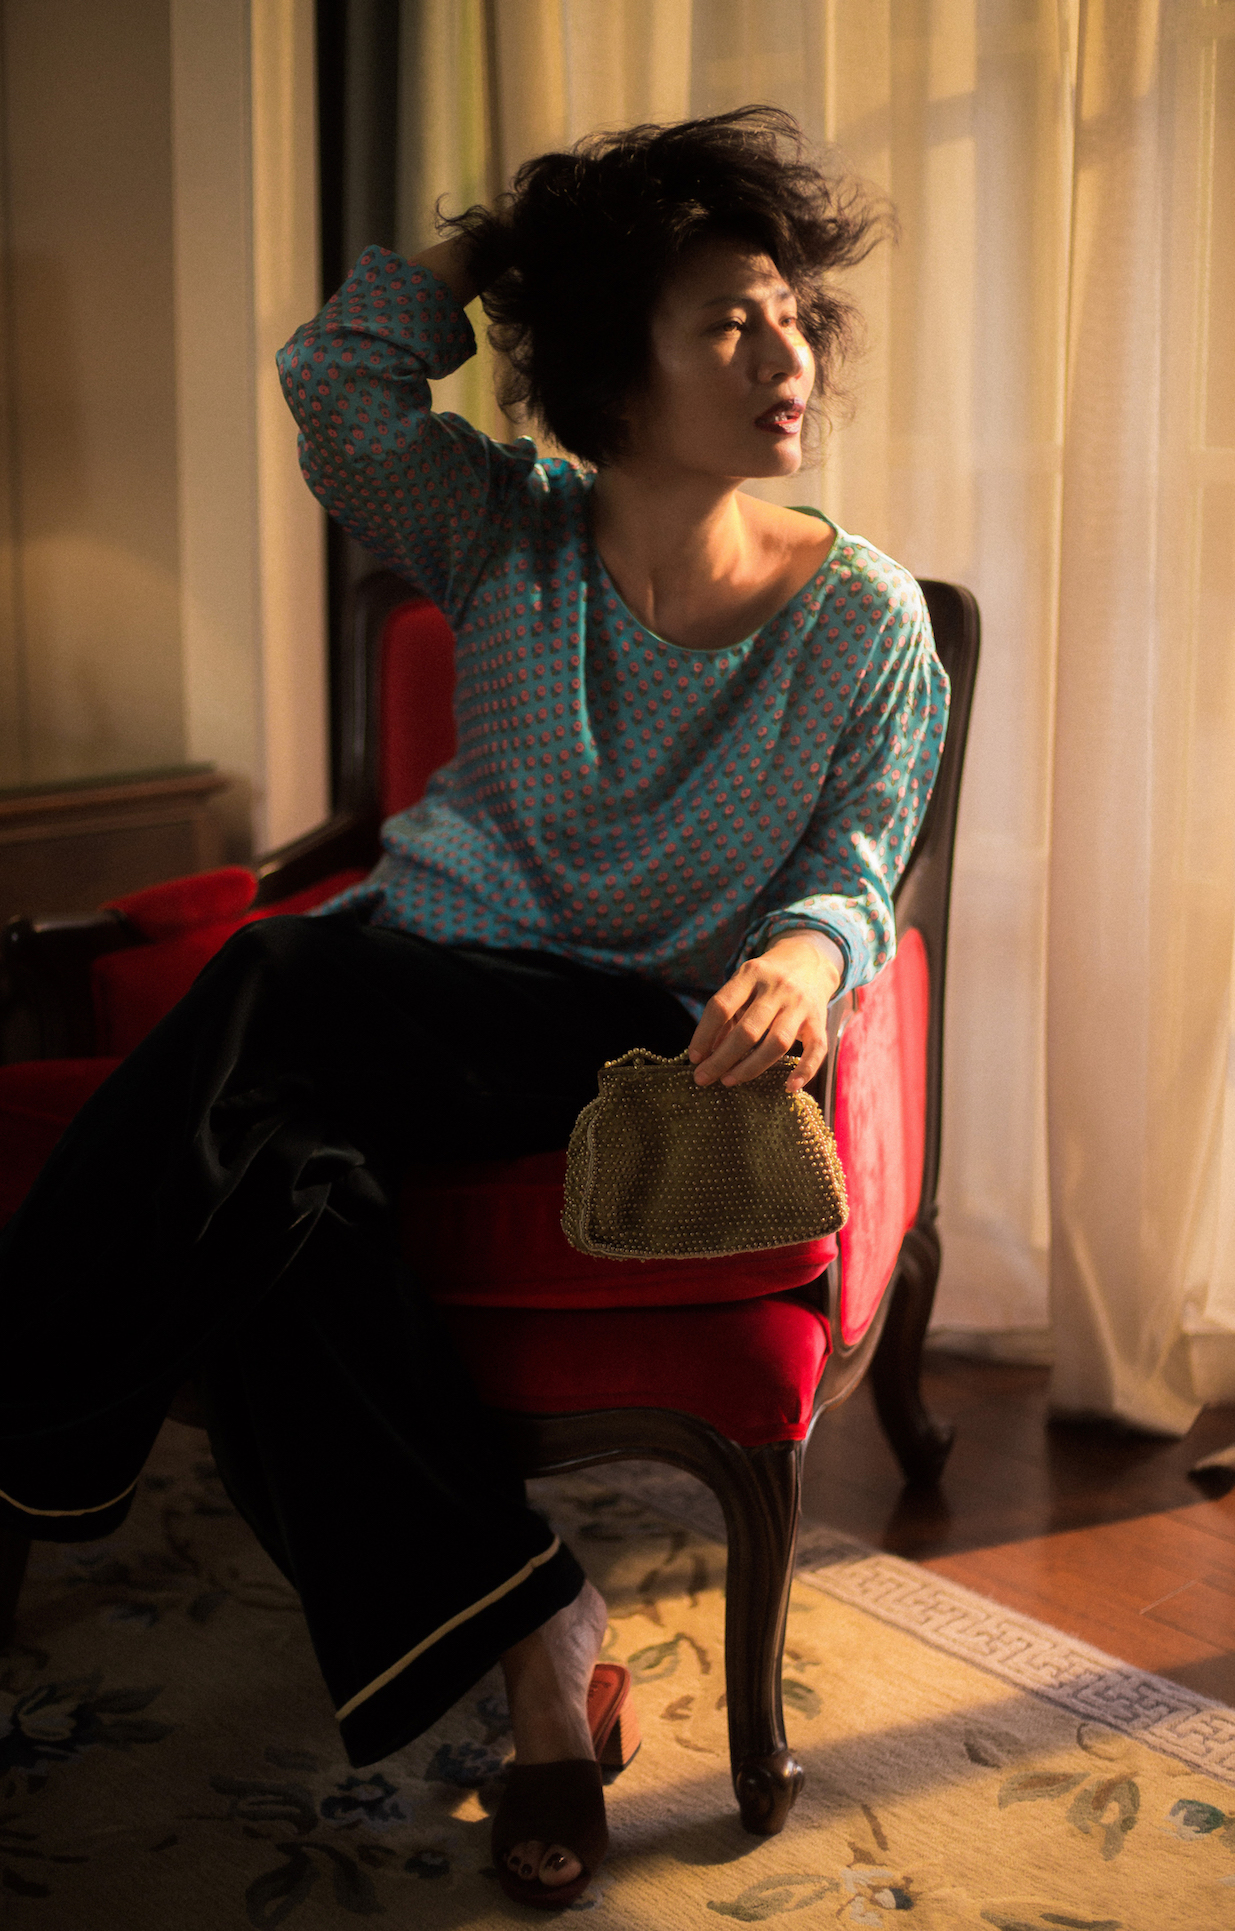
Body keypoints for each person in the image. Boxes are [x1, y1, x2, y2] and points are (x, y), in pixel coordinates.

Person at [0, 108, 947, 1907]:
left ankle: (30, 1405)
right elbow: (338, 379)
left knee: (270, 979)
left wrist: (811, 960)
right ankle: (542, 1647)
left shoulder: (866, 622)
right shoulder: (504, 529)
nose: (787, 357)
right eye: (726, 322)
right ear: (610, 365)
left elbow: (860, 862)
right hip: (415, 986)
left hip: (629, 1042)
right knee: (294, 1203)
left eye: (790, 317)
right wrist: (509, 246)